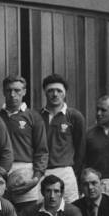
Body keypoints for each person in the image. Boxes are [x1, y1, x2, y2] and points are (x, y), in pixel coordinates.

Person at [0, 75, 48, 214]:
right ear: (3, 92)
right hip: (1, 172)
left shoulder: (34, 117)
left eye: (17, 90)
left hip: (25, 172)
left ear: (24, 92)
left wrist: (36, 178)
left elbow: (42, 151)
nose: (13, 94)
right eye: (9, 90)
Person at [39, 74, 85, 203]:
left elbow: (80, 148)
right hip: (42, 172)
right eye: (50, 91)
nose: (55, 94)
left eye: (59, 91)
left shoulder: (74, 116)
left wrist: (74, 173)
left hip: (66, 171)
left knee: (70, 209)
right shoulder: (36, 116)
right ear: (45, 93)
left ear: (64, 93)